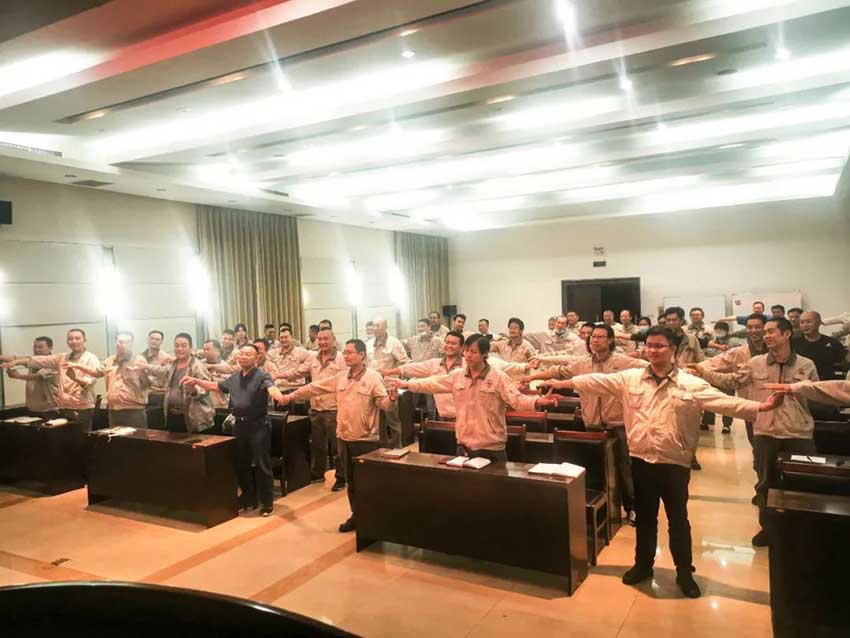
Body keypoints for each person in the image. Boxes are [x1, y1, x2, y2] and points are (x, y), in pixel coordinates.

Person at [549, 326, 782, 598]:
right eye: (649, 345)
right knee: (646, 519)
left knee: (678, 520)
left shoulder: (690, 383)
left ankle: (684, 572)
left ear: (673, 349)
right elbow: (594, 380)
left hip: (674, 463)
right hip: (641, 460)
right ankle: (643, 565)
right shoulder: (631, 378)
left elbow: (721, 402)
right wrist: (562, 384)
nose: (652, 350)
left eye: (659, 346)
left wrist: (759, 407)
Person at [687, 318, 818, 547]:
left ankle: (803, 528)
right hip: (765, 431)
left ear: (787, 334)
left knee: (803, 482)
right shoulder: (756, 362)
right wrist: (704, 372)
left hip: (799, 433)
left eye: (771, 331)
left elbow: (817, 395)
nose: (766, 336)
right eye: (765, 332)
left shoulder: (806, 365)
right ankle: (768, 528)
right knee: (765, 482)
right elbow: (732, 381)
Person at [521, 324, 649, 525]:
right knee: (596, 468)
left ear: (610, 340)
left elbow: (647, 367)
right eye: (592, 337)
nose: (594, 340)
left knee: (625, 468)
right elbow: (558, 371)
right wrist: (531, 376)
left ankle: (632, 508)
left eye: (600, 337)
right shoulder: (583, 363)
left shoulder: (622, 361)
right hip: (592, 424)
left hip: (617, 424)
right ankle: (602, 510)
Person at [279, 339, 397, 532]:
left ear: (362, 355)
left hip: (365, 440)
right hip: (344, 437)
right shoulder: (341, 377)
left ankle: (374, 519)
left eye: (350, 352)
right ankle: (356, 516)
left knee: (368, 483)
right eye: (345, 352)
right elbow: (314, 387)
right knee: (352, 482)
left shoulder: (373, 377)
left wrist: (391, 399)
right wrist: (291, 396)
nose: (346, 356)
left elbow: (383, 404)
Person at [389, 334, 561, 462]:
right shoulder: (457, 375)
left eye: (473, 352)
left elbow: (517, 400)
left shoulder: (498, 377)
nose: (468, 356)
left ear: (485, 355)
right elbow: (432, 383)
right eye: (466, 351)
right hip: (464, 444)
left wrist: (538, 401)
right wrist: (407, 384)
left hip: (491, 447)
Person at [183, 343, 288, 517]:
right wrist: (196, 381)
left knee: (261, 464)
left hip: (258, 425)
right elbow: (215, 386)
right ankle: (248, 497)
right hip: (239, 426)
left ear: (257, 358)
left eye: (248, 354)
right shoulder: (235, 378)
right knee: (241, 464)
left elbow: (272, 387)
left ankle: (267, 502)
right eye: (241, 354)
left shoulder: (262, 375)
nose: (244, 357)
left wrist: (279, 396)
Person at [278, 328, 348, 490]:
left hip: (334, 409)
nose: (322, 342)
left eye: (326, 339)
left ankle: (341, 477)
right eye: (320, 339)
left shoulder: (341, 359)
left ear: (334, 340)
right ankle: (318, 473)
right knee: (317, 445)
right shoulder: (313, 358)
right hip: (316, 408)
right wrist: (280, 375)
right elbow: (298, 372)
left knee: (337, 447)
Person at [3, 328, 100, 431]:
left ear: (85, 340)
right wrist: (16, 362)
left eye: (77, 338)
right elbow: (39, 360)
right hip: (64, 407)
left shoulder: (91, 358)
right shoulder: (62, 357)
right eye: (70, 339)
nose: (74, 341)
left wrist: (75, 378)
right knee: (63, 438)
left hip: (82, 408)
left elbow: (90, 382)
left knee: (81, 437)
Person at [68, 331, 151, 427]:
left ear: (132, 343)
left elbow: (148, 384)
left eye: (127, 342)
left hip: (134, 410)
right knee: (115, 436)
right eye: (120, 342)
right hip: (113, 410)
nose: (123, 345)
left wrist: (143, 372)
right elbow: (96, 372)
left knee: (136, 436)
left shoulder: (139, 360)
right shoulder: (109, 361)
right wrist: (77, 366)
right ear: (115, 343)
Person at [383, 330, 466, 420]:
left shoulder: (466, 366)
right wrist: (389, 372)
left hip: (464, 416)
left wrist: (407, 384)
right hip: (441, 415)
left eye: (453, 344)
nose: (449, 346)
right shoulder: (435, 363)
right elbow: (412, 368)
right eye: (447, 342)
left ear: (462, 347)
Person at [145, 333, 215, 433]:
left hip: (193, 417)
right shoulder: (174, 364)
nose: (179, 349)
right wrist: (145, 366)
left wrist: (194, 390)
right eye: (176, 346)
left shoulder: (197, 366)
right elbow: (162, 370)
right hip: (173, 415)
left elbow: (206, 387)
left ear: (191, 348)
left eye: (183, 346)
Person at [367, 317, 409, 447]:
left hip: (389, 388)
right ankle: (381, 449)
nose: (375, 328)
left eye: (378, 326)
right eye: (374, 326)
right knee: (377, 422)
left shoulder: (394, 343)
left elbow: (405, 362)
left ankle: (397, 449)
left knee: (393, 421)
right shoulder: (369, 344)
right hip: (373, 388)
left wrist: (393, 376)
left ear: (385, 327)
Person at [1, 336, 60, 418]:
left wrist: (17, 376)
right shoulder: (33, 359)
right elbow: (15, 358)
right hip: (32, 408)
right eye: (35, 347)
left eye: (40, 347)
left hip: (50, 410)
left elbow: (37, 377)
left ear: (50, 348)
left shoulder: (53, 362)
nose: (37, 350)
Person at [793, 311, 846, 383]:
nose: (805, 325)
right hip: (802, 383)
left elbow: (844, 360)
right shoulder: (794, 343)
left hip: (826, 383)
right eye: (802, 322)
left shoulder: (832, 343)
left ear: (819, 323)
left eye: (808, 322)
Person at [141, 330, 170, 424]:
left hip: (160, 395)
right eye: (152, 338)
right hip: (145, 395)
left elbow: (167, 372)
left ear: (161, 342)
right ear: (148, 339)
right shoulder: (141, 357)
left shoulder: (166, 357)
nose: (154, 341)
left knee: (157, 424)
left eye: (157, 339)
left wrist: (149, 368)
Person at [200, 339, 230, 409]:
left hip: (220, 407)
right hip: (202, 407)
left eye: (208, 349)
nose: (205, 352)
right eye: (204, 349)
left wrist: (212, 377)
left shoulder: (225, 367)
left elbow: (226, 386)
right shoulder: (199, 364)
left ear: (218, 351)